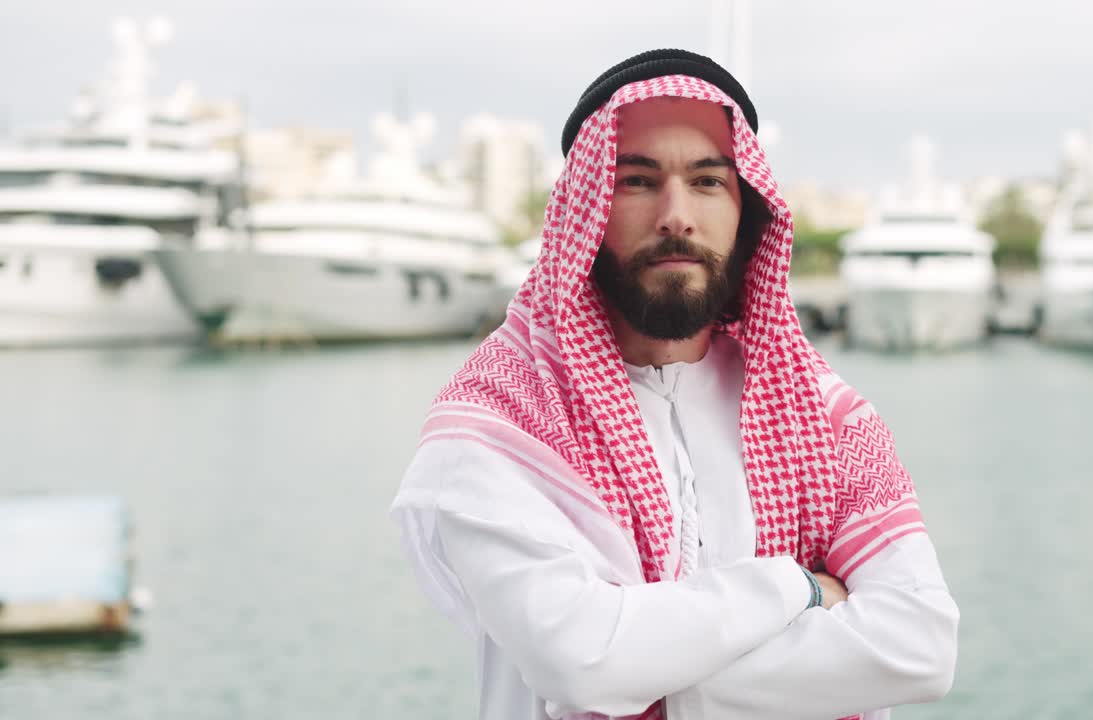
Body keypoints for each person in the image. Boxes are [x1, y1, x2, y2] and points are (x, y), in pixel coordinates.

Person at [391, 49, 958, 720]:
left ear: (746, 211)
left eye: (708, 181)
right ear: (585, 211)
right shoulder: (499, 417)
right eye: (636, 181)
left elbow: (920, 645)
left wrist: (656, 682)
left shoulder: (828, 418)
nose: (676, 215)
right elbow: (581, 661)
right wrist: (798, 589)